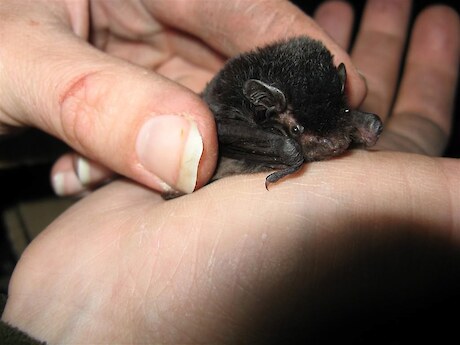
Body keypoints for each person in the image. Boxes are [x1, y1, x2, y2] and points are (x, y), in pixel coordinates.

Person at [1, 0, 459, 343]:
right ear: (270, 109)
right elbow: (263, 136)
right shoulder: (242, 121)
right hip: (227, 129)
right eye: (302, 130)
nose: (334, 144)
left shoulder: (315, 112)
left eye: (338, 122)